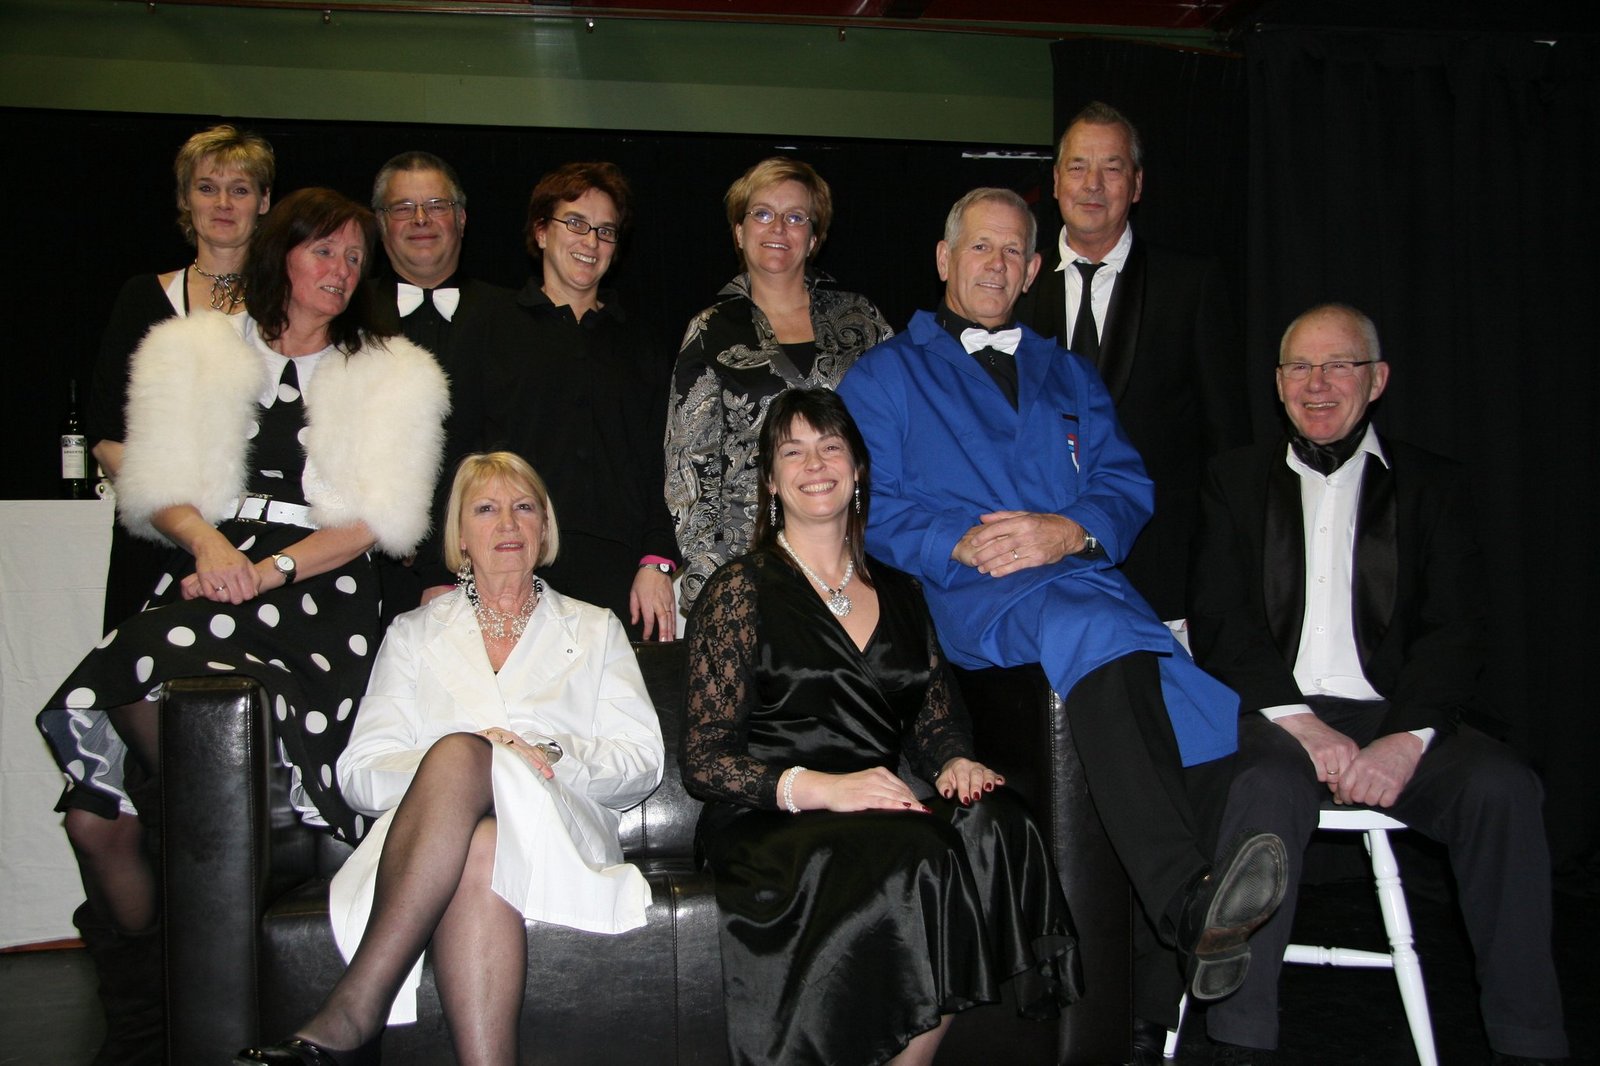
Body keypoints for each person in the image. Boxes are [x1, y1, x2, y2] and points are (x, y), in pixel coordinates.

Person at [837, 187, 1287, 1014]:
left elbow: (1126, 485)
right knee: (1110, 639)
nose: (996, 264)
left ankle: (1168, 971)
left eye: (1013, 251)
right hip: (976, 596)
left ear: (1034, 270)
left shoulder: (1070, 370)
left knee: (1198, 718)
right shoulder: (884, 375)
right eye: (980, 247)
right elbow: (867, 506)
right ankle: (1185, 900)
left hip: (1087, 588)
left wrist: (1071, 529)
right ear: (944, 259)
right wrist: (955, 541)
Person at [38, 188, 449, 1066]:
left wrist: (266, 571)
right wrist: (210, 545)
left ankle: (178, 1001)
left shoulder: (394, 370)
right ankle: (151, 1008)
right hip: (210, 563)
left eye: (354, 258)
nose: (341, 270)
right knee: (95, 817)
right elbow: (155, 481)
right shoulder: (194, 347)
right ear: (279, 252)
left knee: (166, 729)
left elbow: (375, 522)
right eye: (323, 251)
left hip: (318, 588)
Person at [1188, 304, 1569, 1065]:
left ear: (1378, 379)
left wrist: (1404, 739)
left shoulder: (1436, 485)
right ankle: (1240, 1040)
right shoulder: (1233, 480)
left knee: (1502, 790)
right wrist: (1301, 723)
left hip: (1399, 713)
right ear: (1278, 383)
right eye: (1300, 367)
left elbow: (1457, 631)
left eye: (1339, 366)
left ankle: (1529, 1039)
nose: (1317, 384)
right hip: (1275, 719)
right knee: (1263, 789)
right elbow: (1221, 623)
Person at [683, 388, 1080, 1066]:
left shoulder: (902, 592)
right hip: (771, 818)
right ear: (771, 480)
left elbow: (935, 718)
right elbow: (705, 760)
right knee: (920, 851)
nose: (815, 464)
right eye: (793, 452)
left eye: (830, 446)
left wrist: (954, 760)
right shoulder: (738, 591)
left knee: (999, 822)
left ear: (858, 469)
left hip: (877, 807)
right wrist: (826, 788)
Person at [237, 452, 665, 1066]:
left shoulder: (596, 628)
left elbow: (643, 762)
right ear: (460, 537)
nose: (508, 524)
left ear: (544, 527)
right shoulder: (413, 633)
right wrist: (460, 767)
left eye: (524, 508)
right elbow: (361, 773)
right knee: (479, 828)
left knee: (472, 757)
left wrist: (542, 755)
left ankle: (356, 1010)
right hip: (426, 854)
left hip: (560, 832)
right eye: (486, 509)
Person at [1016, 100, 1248, 623]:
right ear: (1056, 181)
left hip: (1162, 574)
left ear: (1137, 185)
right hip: (1035, 579)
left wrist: (1223, 569)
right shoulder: (1014, 289)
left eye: (1112, 168)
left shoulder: (1191, 285)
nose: (1092, 184)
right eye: (1078, 166)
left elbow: (1228, 443)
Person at [666, 156, 893, 616]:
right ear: (739, 231)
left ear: (814, 238)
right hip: (746, 559)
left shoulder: (861, 319)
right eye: (763, 213)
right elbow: (689, 468)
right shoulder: (710, 330)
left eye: (795, 217)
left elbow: (897, 436)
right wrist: (717, 581)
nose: (778, 228)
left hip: (858, 552)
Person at [477, 162, 679, 641]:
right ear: (541, 231)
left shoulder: (641, 343)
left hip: (620, 572)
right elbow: (462, 450)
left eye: (605, 230)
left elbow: (662, 460)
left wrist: (657, 560)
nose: (591, 241)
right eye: (575, 223)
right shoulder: (490, 328)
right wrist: (444, 570)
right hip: (511, 559)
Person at [88, 123, 275, 632]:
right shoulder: (141, 298)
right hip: (158, 536)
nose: (223, 203)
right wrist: (192, 530)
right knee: (143, 674)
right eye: (207, 188)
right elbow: (107, 435)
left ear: (263, 202)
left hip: (260, 545)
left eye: (240, 190)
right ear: (185, 199)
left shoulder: (292, 306)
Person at [365, 150, 520, 615]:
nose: (420, 219)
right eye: (402, 207)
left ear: (462, 219)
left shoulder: (514, 317)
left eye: (436, 205)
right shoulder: (347, 316)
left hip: (482, 560)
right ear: (381, 223)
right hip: (364, 562)